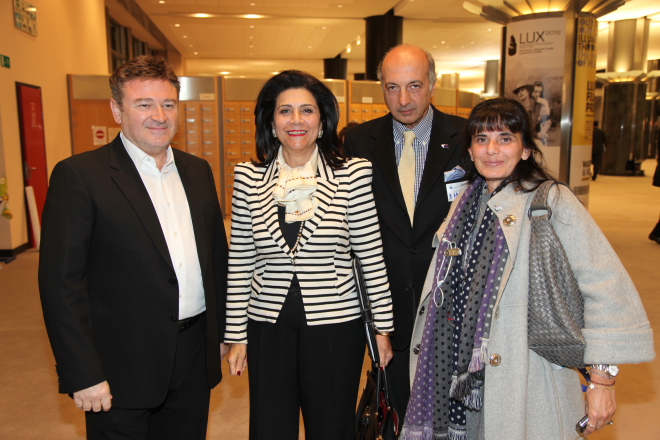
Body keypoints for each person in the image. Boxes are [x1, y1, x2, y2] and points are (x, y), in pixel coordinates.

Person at [401, 98, 655, 440]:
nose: (492, 149)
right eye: (481, 139)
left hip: (528, 376)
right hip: (459, 375)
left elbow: (605, 285)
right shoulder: (465, 201)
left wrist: (603, 381)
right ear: (471, 150)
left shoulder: (551, 201)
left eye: (505, 138)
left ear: (525, 150)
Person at [39, 56, 229, 440]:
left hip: (193, 356)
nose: (159, 115)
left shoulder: (198, 171)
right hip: (120, 364)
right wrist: (82, 372)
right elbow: (61, 285)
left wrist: (222, 331)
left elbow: (216, 260)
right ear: (117, 110)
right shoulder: (80, 176)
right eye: (144, 104)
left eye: (168, 104)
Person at [224, 70, 394, 440]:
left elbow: (370, 254)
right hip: (268, 324)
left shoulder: (353, 175)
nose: (296, 120)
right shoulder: (248, 178)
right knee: (269, 428)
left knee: (331, 427)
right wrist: (236, 334)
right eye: (285, 111)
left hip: (336, 324)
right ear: (271, 122)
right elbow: (241, 261)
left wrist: (382, 329)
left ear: (322, 120)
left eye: (307, 110)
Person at [343, 44, 467, 424]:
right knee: (396, 411)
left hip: (449, 297)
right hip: (387, 302)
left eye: (414, 85)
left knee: (449, 411)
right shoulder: (358, 141)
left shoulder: (467, 136)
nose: (403, 100)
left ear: (433, 84)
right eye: (392, 88)